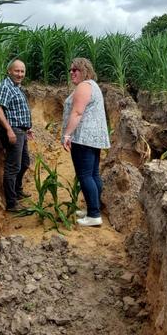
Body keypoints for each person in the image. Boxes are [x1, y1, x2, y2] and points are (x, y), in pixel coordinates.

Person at [61, 57, 110, 227]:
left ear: (85, 70)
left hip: (83, 138)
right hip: (93, 138)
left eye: (76, 70)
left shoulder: (84, 86)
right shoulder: (92, 86)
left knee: (85, 176)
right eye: (71, 70)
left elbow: (77, 113)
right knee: (93, 174)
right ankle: (93, 208)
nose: (72, 73)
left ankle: (94, 215)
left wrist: (67, 135)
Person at [0, 59, 33, 212]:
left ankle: (17, 190)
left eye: (22, 71)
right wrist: (9, 130)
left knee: (24, 163)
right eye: (17, 71)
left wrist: (27, 127)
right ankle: (12, 203)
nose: (20, 74)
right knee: (13, 166)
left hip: (20, 130)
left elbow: (16, 111)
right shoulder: (5, 87)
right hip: (14, 131)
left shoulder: (16, 87)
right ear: (9, 71)